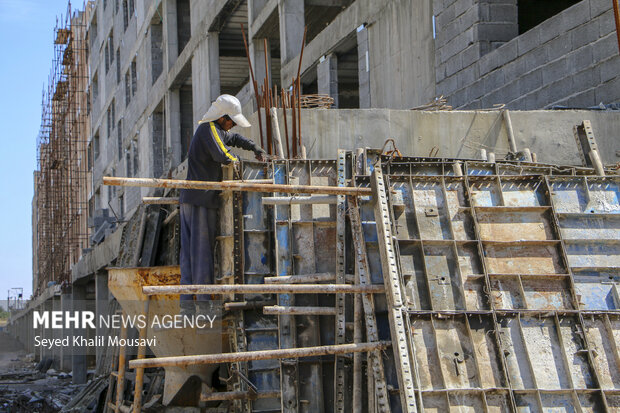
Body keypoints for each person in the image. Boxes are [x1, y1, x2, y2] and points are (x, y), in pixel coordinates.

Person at [179, 94, 266, 310]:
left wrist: (255, 147)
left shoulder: (215, 131)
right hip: (201, 200)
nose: (233, 125)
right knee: (201, 253)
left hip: (193, 199)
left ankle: (188, 305)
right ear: (222, 117)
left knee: (190, 254)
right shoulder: (208, 129)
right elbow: (223, 154)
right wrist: (242, 165)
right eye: (232, 121)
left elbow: (233, 139)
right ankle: (204, 306)